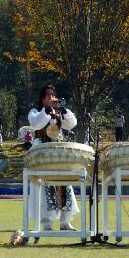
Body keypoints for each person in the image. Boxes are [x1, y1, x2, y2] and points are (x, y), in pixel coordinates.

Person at [27, 83, 80, 230]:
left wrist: (64, 111)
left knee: (64, 184)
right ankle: (46, 222)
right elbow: (36, 124)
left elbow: (72, 124)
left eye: (53, 94)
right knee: (44, 186)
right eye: (48, 95)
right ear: (43, 99)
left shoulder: (58, 113)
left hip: (57, 153)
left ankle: (65, 221)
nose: (52, 97)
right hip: (42, 153)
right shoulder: (35, 112)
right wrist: (46, 111)